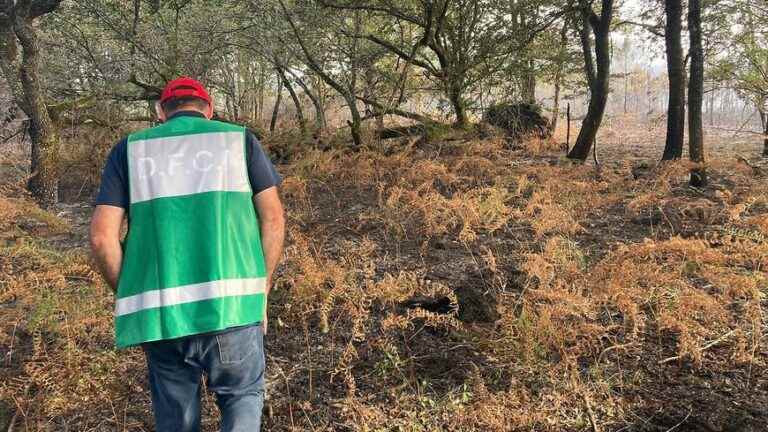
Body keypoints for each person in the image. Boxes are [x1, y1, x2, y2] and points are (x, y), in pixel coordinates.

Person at [89, 77, 285, 432]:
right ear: (208, 109)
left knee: (176, 419)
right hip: (235, 310)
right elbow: (273, 218)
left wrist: (135, 294)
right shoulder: (238, 140)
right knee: (241, 400)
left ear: (160, 111)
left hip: (163, 316)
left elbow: (103, 238)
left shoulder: (130, 149)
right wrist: (262, 292)